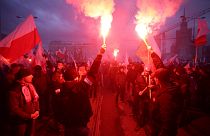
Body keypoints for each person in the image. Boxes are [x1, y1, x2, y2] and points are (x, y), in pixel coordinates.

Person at [150, 68, 183, 136]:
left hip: (163, 129)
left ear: (158, 79)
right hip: (168, 126)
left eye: (156, 78)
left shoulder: (165, 96)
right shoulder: (172, 88)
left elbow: (167, 119)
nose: (155, 79)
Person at [9, 68, 40, 136]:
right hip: (20, 122)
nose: (32, 76)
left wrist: (37, 110)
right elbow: (14, 109)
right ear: (23, 77)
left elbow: (36, 99)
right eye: (30, 75)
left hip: (32, 118)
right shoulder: (14, 90)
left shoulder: (30, 86)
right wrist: (29, 116)